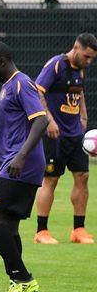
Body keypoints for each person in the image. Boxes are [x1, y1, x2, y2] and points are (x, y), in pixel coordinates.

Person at [0, 40, 48, 292]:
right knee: (8, 225)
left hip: (23, 165)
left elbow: (40, 120)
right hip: (13, 161)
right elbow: (16, 128)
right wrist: (1, 156)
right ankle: (17, 287)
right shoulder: (7, 87)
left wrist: (19, 156)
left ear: (2, 62)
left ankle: (22, 278)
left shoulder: (21, 83)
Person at [32, 33, 97, 245]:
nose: (88, 61)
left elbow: (79, 93)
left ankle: (78, 229)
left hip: (75, 134)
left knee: (83, 176)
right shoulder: (56, 65)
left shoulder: (80, 69)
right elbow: (38, 91)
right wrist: (49, 121)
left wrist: (84, 116)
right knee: (51, 179)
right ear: (76, 48)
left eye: (91, 58)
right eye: (86, 56)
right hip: (54, 134)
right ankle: (41, 232)